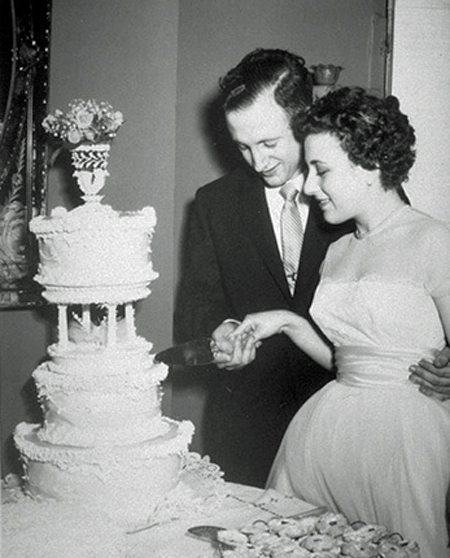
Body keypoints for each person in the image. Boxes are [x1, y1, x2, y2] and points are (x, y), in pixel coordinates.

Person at [174, 48, 450, 487]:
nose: (258, 162)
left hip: (354, 432)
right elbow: (194, 310)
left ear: (304, 122)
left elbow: (410, 286)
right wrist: (224, 331)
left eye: (269, 143)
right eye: (242, 147)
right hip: (247, 425)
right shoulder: (214, 203)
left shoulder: (356, 192)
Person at [229, 86, 450, 557]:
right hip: (324, 434)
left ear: (369, 167)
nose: (308, 186)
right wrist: (287, 322)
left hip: (404, 443)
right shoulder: (337, 251)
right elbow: (344, 359)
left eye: (321, 170)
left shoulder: (435, 242)